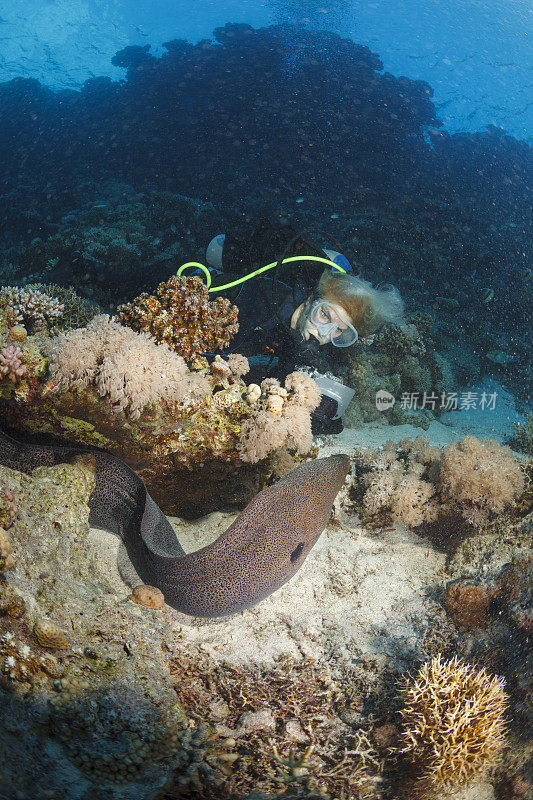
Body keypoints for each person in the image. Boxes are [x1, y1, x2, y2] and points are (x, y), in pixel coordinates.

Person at [205, 218, 404, 433]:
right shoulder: (265, 298)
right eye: (325, 314)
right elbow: (212, 357)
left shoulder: (311, 335)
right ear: (311, 299)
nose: (324, 333)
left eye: (339, 330)